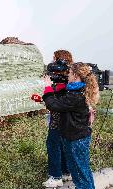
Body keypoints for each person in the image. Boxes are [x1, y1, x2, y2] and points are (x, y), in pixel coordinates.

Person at [42, 62, 99, 189]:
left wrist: (47, 88)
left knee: (80, 175)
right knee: (82, 171)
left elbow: (54, 105)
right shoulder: (77, 91)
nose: (67, 75)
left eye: (69, 73)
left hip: (76, 140)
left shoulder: (76, 95)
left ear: (76, 75)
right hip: (75, 137)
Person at [42, 50, 73, 188]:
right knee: (63, 146)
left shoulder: (62, 83)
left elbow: (56, 103)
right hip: (67, 121)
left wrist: (48, 87)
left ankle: (55, 176)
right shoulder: (70, 80)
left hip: (57, 121)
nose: (52, 62)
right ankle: (66, 172)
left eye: (54, 59)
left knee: (53, 146)